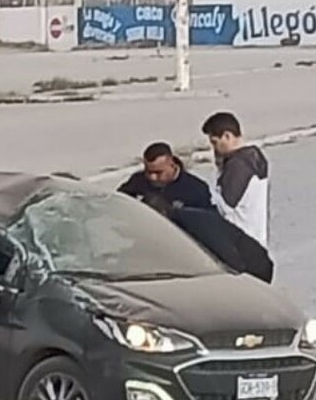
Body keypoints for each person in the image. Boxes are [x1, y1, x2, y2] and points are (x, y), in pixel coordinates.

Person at [130, 177, 274, 285]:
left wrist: (240, 283)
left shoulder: (196, 223)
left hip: (253, 269)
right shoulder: (177, 226)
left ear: (161, 214)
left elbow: (226, 254)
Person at [200, 111, 272, 251]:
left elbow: (224, 207)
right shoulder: (253, 157)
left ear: (227, 136)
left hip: (239, 244)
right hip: (257, 239)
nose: (213, 149)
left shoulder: (237, 166)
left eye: (215, 142)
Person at [117, 142, 215, 212]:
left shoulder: (196, 189)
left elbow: (205, 222)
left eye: (158, 172)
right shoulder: (137, 181)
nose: (152, 177)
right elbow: (119, 202)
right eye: (148, 171)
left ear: (171, 164)